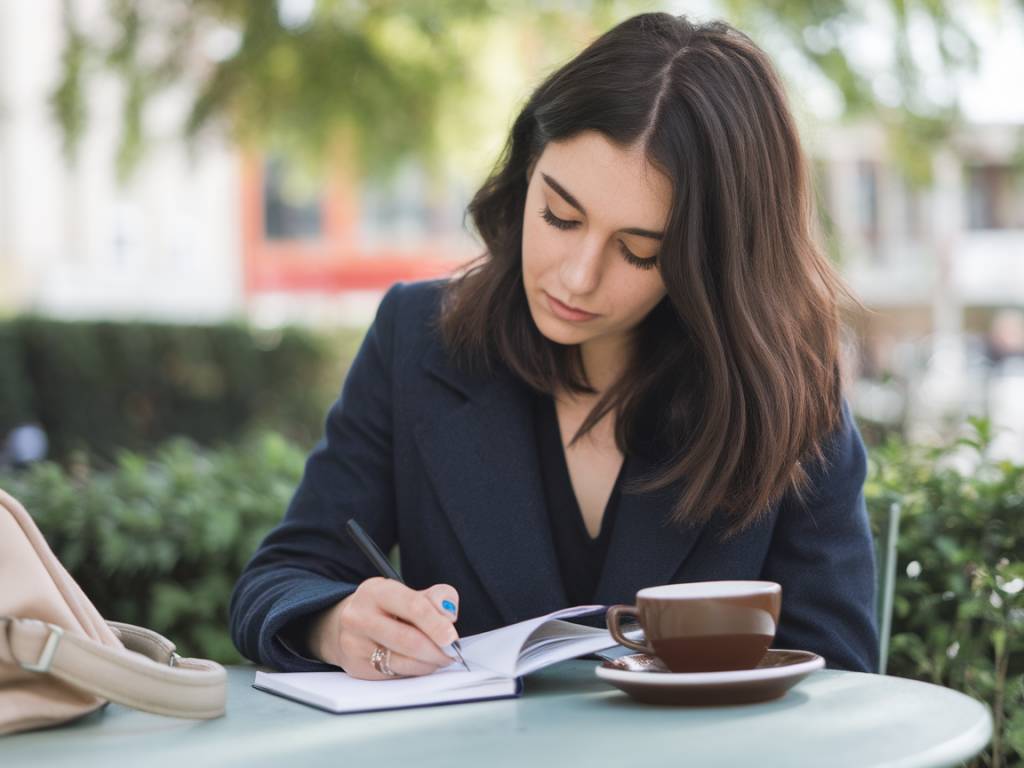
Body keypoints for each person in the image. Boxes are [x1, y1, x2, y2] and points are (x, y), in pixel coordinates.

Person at [229, 12, 879, 680]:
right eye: (559, 217)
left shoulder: (785, 386)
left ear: (711, 263)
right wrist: (337, 623)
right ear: (526, 170)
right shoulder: (417, 339)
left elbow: (845, 678)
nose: (576, 276)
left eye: (638, 251)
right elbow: (279, 580)